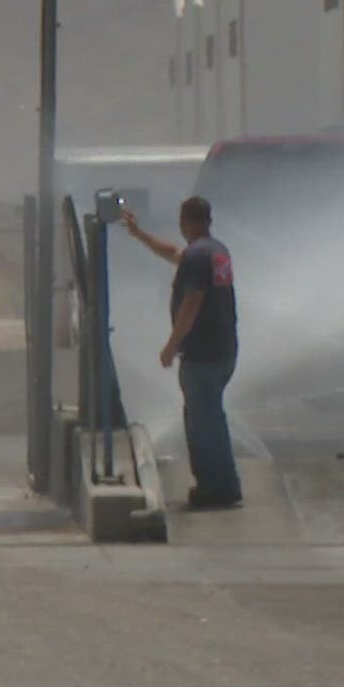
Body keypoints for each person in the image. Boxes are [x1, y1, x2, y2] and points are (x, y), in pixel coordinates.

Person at [122, 196, 241, 509]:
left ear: (186, 221)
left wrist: (171, 345)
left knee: (204, 424)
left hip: (202, 353)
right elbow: (175, 254)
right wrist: (139, 234)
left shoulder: (198, 257)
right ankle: (222, 485)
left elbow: (192, 302)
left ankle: (217, 489)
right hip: (224, 350)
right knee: (210, 417)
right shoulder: (216, 251)